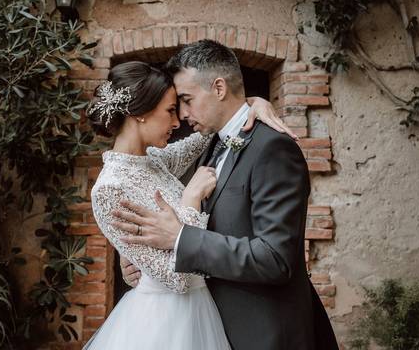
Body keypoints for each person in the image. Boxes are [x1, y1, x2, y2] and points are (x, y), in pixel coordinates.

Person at [112, 40, 340, 350]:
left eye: (188, 99)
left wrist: (181, 239)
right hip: (216, 330)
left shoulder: (273, 148)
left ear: (219, 88)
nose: (182, 113)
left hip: (265, 335)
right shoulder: (212, 143)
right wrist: (150, 262)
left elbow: (275, 258)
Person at [82, 60, 291, 350]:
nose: (178, 121)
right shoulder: (109, 189)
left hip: (203, 309)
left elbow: (209, 129)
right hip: (164, 323)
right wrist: (190, 200)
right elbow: (176, 279)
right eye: (170, 110)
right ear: (139, 114)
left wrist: (253, 103)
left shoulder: (155, 160)